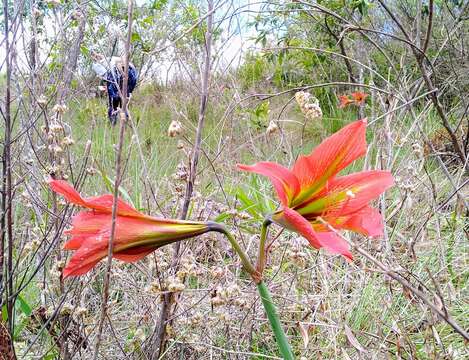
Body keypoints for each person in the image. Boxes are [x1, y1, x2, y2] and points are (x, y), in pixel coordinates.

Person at [92, 54, 138, 125]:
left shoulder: (131, 72)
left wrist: (127, 95)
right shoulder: (109, 63)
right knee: (116, 105)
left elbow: (131, 85)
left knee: (120, 106)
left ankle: (122, 123)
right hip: (116, 81)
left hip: (121, 84)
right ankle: (115, 123)